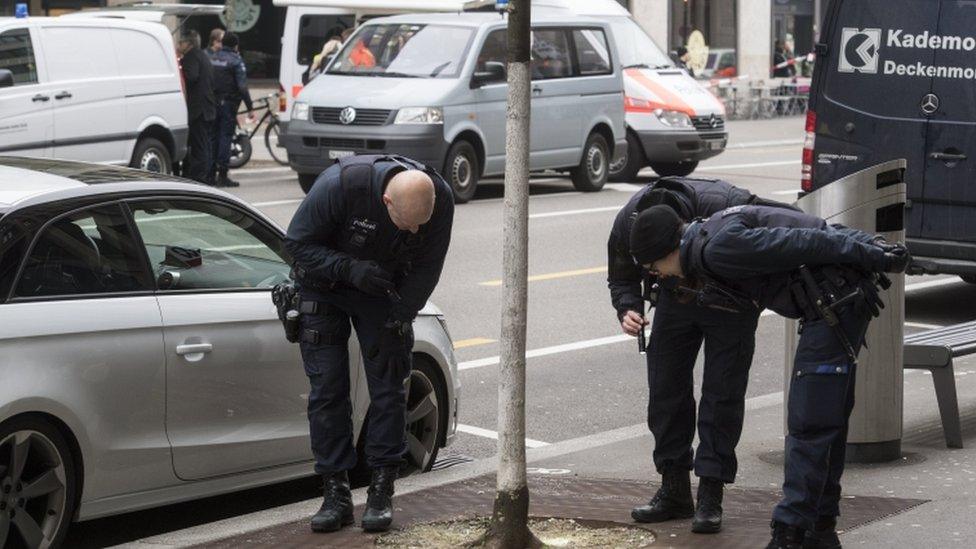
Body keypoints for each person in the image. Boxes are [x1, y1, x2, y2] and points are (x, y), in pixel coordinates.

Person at [628, 204, 910, 549]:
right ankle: (820, 530)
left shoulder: (718, 248)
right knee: (827, 426)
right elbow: (810, 228)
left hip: (833, 308)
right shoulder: (714, 231)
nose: (660, 276)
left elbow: (806, 242)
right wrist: (870, 245)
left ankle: (789, 534)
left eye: (655, 267)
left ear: (667, 251)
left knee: (810, 424)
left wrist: (872, 252)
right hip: (836, 306)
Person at [609, 177, 797, 534]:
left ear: (683, 234)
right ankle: (674, 489)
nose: (647, 269)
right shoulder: (629, 222)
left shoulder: (726, 204)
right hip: (674, 298)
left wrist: (761, 290)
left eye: (655, 262)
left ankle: (711, 492)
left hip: (731, 297)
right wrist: (627, 307)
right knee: (665, 391)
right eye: (645, 265)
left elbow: (783, 223)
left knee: (721, 395)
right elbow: (620, 276)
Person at [284, 155, 454, 534]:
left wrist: (402, 312)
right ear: (387, 201)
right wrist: (349, 268)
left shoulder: (436, 196)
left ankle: (381, 490)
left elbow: (429, 265)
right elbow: (296, 244)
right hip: (325, 286)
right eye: (405, 224)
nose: (412, 232)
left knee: (390, 389)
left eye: (418, 226)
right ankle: (335, 494)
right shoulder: (341, 185)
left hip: (382, 291)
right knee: (328, 391)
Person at [209, 32, 254, 188]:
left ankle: (210, 173)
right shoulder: (236, 61)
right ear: (236, 45)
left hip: (212, 103)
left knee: (213, 137)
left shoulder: (213, 58)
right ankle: (222, 175)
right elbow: (242, 87)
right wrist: (250, 107)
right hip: (228, 104)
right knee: (225, 137)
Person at [176, 30, 215, 185]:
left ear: (189, 43)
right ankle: (207, 175)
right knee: (205, 144)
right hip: (208, 107)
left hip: (198, 109)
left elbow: (191, 77)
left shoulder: (191, 57)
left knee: (199, 146)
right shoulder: (204, 56)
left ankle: (199, 179)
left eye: (181, 42)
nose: (179, 45)